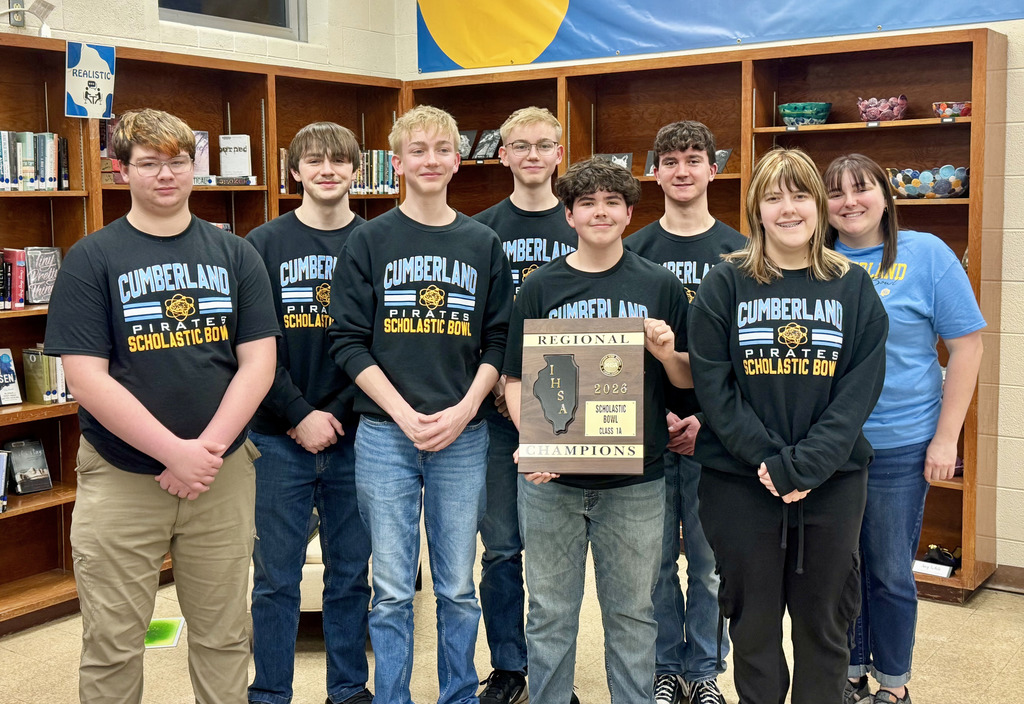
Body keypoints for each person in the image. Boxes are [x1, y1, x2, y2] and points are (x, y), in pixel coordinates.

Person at [43, 108, 279, 703]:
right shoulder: (91, 259)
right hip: (121, 477)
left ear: (194, 167)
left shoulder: (237, 255)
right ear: (121, 170)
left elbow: (258, 363)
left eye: (178, 161)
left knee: (225, 636)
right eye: (150, 163)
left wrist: (206, 453)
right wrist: (173, 451)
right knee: (113, 642)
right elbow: (86, 377)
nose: (166, 175)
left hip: (221, 476)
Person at [687, 148, 888, 704]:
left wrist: (805, 466)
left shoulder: (853, 287)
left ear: (819, 206)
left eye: (800, 194)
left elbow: (859, 391)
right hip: (740, 483)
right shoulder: (724, 284)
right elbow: (715, 386)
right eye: (774, 197)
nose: (788, 208)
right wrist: (771, 463)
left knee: (825, 627)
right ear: (756, 208)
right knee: (752, 630)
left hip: (833, 484)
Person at [328, 105, 513, 704]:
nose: (429, 160)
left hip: (465, 434)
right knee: (390, 589)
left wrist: (463, 409)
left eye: (441, 149)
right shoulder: (368, 240)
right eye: (417, 149)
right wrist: (403, 414)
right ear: (397, 162)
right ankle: (392, 698)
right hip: (385, 434)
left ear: (458, 160)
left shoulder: (483, 243)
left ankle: (457, 694)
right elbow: (348, 340)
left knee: (458, 585)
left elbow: (499, 339)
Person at [503, 158, 692, 704]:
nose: (600, 211)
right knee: (549, 614)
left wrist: (664, 351)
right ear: (569, 214)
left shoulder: (659, 284)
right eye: (587, 202)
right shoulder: (541, 285)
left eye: (613, 202)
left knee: (634, 615)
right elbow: (516, 378)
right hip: (551, 483)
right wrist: (533, 440)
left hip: (636, 482)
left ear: (631, 213)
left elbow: (686, 380)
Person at [824, 154, 985, 704]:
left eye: (862, 188)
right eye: (836, 192)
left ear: (887, 195)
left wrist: (947, 437)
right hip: (830, 448)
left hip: (900, 442)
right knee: (838, 571)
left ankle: (894, 686)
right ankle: (848, 673)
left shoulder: (927, 254)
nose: (850, 201)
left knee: (889, 572)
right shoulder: (815, 261)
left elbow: (966, 347)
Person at [246, 122, 372, 704]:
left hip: (356, 436)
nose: (327, 169)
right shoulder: (259, 244)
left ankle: (347, 691)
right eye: (313, 160)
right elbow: (246, 345)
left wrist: (336, 412)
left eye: (339, 160)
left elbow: (384, 340)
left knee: (351, 577)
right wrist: (298, 413)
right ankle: (270, 693)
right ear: (293, 171)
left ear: (356, 170)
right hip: (275, 436)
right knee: (275, 579)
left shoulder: (377, 242)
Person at [625, 120, 744, 704]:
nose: (681, 170)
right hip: (646, 427)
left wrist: (709, 419)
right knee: (650, 566)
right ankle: (664, 667)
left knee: (708, 564)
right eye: (669, 160)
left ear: (712, 170)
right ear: (654, 172)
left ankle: (703, 674)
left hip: (716, 433)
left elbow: (750, 351)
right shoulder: (635, 249)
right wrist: (659, 415)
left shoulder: (741, 252)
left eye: (693, 159)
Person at [472, 106, 577, 704]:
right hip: (493, 416)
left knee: (559, 554)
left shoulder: (582, 225)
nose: (533, 155)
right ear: (503, 154)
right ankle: (510, 666)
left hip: (566, 414)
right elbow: (473, 323)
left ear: (560, 153)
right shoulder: (480, 230)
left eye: (544, 145)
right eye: (521, 145)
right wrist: (500, 393)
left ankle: (555, 671)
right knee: (504, 547)